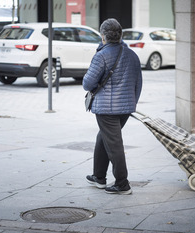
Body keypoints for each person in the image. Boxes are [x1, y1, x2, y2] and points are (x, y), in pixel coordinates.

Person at [83, 18, 142, 195]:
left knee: (113, 144)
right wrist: (131, 103)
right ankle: (99, 177)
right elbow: (138, 84)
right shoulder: (132, 55)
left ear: (103, 37)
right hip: (125, 108)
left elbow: (87, 83)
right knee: (104, 138)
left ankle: (122, 183)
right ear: (120, 35)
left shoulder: (101, 55)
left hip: (106, 109)